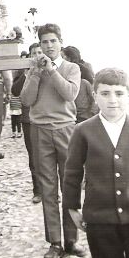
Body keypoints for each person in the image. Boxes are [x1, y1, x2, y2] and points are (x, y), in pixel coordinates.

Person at [21, 23, 85, 258]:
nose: (48, 46)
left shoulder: (71, 68)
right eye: (44, 42)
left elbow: (70, 94)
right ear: (40, 45)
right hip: (40, 132)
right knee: (48, 188)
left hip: (66, 130)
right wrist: (37, 74)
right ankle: (55, 242)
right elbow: (26, 100)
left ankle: (71, 240)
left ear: (60, 42)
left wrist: (52, 71)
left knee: (69, 185)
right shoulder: (34, 70)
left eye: (52, 41)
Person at [63, 68, 129, 258]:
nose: (112, 100)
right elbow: (72, 172)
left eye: (119, 93)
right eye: (105, 93)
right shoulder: (83, 131)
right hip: (100, 219)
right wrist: (72, 207)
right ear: (94, 95)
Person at [12, 43, 42, 204]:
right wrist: (26, 74)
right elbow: (15, 91)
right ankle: (37, 190)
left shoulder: (49, 70)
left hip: (45, 119)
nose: (37, 55)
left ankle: (51, 190)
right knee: (33, 156)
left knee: (48, 156)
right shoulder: (23, 72)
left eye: (39, 52)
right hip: (28, 120)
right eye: (34, 53)